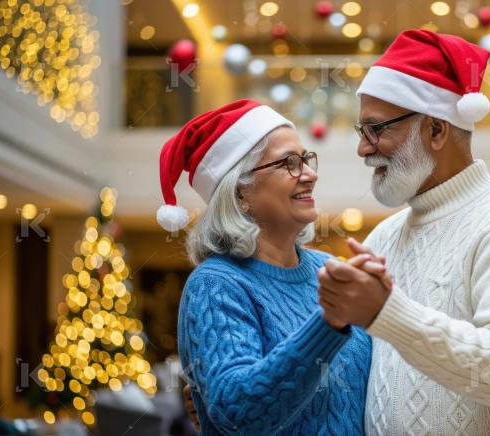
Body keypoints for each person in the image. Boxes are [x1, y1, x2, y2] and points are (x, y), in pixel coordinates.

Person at [317, 29, 490, 435]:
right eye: (362, 132)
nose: (364, 148)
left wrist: (387, 312)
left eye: (377, 129)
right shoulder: (384, 237)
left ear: (436, 129)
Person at [156, 99, 384, 435]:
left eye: (305, 159)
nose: (310, 174)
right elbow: (238, 413)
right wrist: (329, 323)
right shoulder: (217, 284)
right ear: (240, 194)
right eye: (289, 163)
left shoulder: (331, 269)